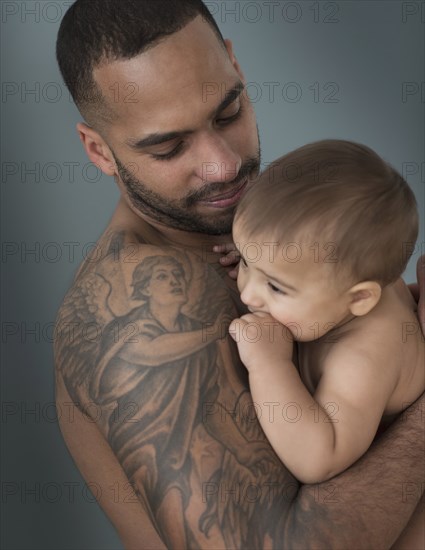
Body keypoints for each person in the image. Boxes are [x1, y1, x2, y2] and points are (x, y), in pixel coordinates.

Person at [53, 1, 424, 548]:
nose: (224, 165)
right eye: (169, 146)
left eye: (229, 113)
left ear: (235, 66)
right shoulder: (136, 315)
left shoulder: (277, 226)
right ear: (99, 151)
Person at [227, 139, 424, 485]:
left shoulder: (363, 359)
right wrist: (265, 261)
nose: (247, 293)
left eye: (275, 286)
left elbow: (319, 459)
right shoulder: (346, 276)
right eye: (245, 260)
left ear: (360, 298)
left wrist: (269, 365)